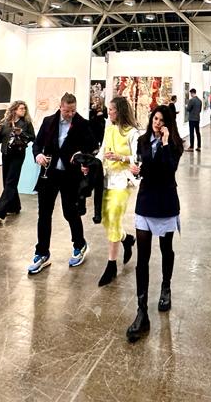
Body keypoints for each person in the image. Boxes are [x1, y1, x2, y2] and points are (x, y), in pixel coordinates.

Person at [125, 105, 184, 342]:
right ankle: (141, 312)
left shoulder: (176, 144)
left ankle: (166, 287)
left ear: (168, 124)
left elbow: (170, 169)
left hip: (166, 201)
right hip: (146, 201)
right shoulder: (142, 141)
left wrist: (166, 143)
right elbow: (142, 170)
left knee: (166, 248)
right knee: (143, 257)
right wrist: (135, 171)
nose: (157, 123)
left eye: (161, 120)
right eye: (155, 119)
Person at [27, 93, 96, 275]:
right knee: (44, 214)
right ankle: (42, 253)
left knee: (70, 212)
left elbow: (92, 146)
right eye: (67, 111)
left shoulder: (82, 123)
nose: (70, 114)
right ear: (60, 107)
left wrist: (82, 155)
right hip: (49, 175)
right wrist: (38, 155)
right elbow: (37, 144)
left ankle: (80, 245)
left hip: (71, 176)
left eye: (73, 110)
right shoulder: (48, 121)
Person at [89, 96, 139, 287]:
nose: (108, 112)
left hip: (123, 181)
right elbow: (102, 151)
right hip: (106, 179)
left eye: (111, 109)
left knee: (114, 217)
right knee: (106, 219)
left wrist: (120, 157)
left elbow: (137, 157)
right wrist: (92, 164)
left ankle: (111, 265)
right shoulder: (109, 128)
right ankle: (127, 239)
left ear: (120, 111)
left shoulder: (132, 133)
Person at [0, 100, 35, 223]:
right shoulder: (5, 122)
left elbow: (33, 137)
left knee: (11, 181)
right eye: (21, 108)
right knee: (7, 181)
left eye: (24, 108)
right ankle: (15, 206)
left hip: (18, 155)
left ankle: (0, 212)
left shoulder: (26, 123)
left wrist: (22, 134)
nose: (24, 110)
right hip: (6, 154)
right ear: (14, 110)